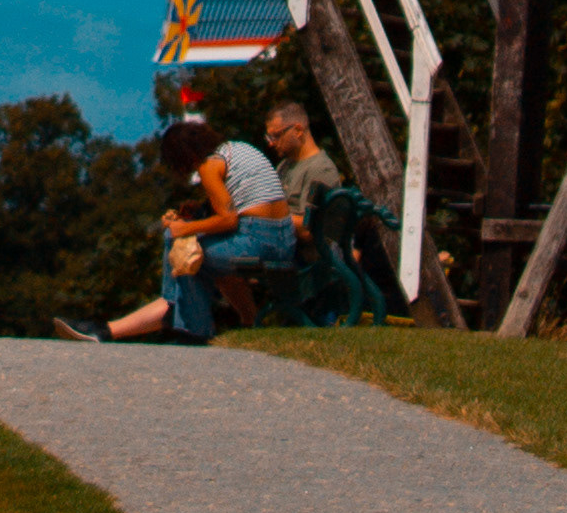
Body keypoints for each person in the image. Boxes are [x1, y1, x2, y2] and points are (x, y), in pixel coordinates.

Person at [101, 113, 300, 345]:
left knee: (187, 254)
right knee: (194, 248)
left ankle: (190, 326)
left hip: (257, 240)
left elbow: (228, 220)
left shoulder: (209, 166)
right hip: (283, 239)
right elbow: (243, 203)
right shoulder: (236, 149)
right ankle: (209, 317)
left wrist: (183, 229)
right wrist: (196, 214)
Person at [264, 96, 398, 323]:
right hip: (284, 248)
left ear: (298, 129)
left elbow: (309, 231)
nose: (271, 142)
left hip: (309, 258)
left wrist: (265, 215)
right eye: (269, 136)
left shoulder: (320, 170)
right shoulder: (285, 167)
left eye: (275, 135)